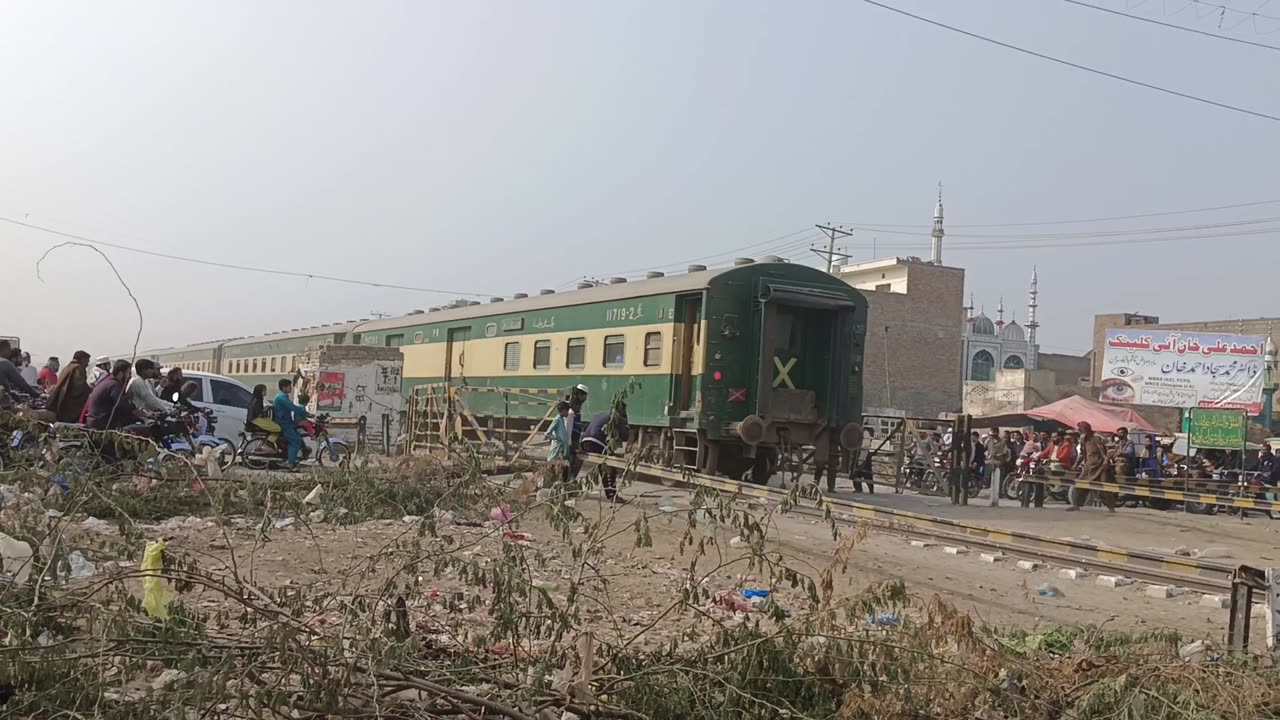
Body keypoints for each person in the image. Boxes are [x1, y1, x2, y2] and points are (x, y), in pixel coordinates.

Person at [85, 360, 151, 432]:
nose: (130, 376)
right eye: (129, 373)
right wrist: (145, 414)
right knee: (143, 428)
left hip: (98, 421)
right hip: (103, 424)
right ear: (121, 373)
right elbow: (123, 406)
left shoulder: (109, 382)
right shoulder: (114, 385)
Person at [581, 402, 629, 501]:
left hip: (585, 442)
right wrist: (626, 424)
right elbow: (625, 436)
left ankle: (610, 493)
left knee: (605, 465)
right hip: (596, 441)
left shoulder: (603, 414)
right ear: (621, 410)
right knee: (609, 466)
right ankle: (612, 495)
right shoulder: (616, 417)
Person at [1069, 421, 1116, 512]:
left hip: (1101, 466)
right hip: (1088, 466)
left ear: (1086, 428)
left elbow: (1111, 448)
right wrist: (1076, 464)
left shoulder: (1098, 436)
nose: (1079, 430)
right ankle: (1076, 505)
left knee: (1105, 486)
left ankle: (1111, 507)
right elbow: (1082, 453)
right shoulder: (1082, 438)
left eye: (1081, 428)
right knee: (1081, 484)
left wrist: (1107, 460)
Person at [272, 378, 311, 469]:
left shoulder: (281, 396)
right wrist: (306, 414)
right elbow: (292, 407)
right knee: (295, 441)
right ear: (284, 387)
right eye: (289, 386)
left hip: (287, 422)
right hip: (284, 423)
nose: (291, 388)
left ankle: (301, 453)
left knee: (298, 434)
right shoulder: (281, 398)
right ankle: (290, 462)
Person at [47, 351, 93, 424]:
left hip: (62, 403)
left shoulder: (67, 368)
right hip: (70, 406)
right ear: (82, 359)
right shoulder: (78, 369)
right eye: (87, 361)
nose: (87, 364)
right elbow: (80, 388)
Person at [545, 400, 572, 483]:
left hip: (562, 450)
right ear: (563, 411)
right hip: (556, 451)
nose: (568, 413)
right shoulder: (557, 420)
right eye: (567, 411)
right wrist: (558, 439)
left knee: (563, 470)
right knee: (552, 471)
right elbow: (547, 434)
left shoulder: (561, 419)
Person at [853, 427, 875, 493]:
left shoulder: (865, 433)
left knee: (865, 473)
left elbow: (865, 445)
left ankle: (865, 489)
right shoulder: (864, 432)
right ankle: (860, 488)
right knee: (860, 473)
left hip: (863, 454)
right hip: (862, 454)